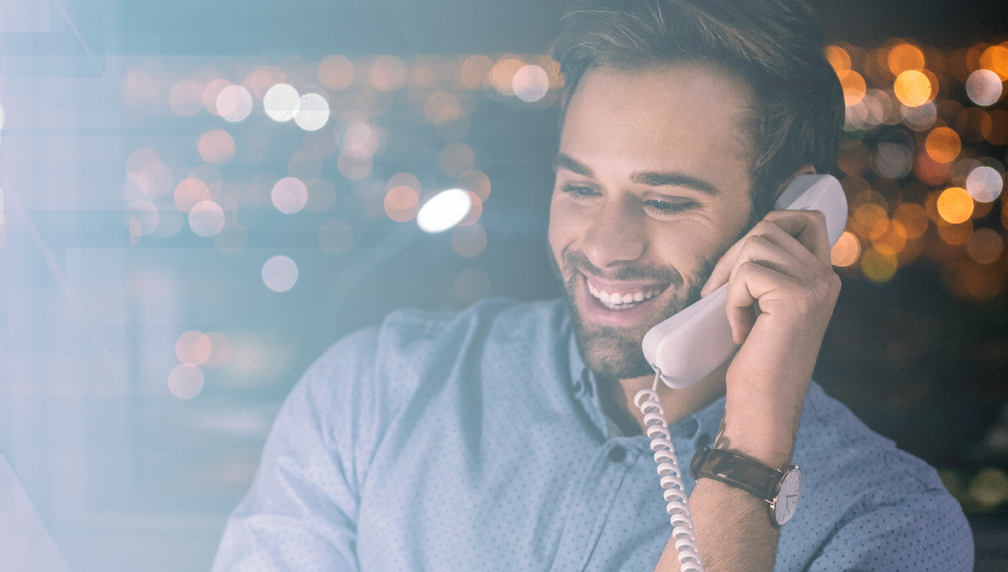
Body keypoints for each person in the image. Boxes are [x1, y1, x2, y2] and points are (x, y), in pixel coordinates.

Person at [210, 0, 973, 570]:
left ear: (791, 219)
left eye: (666, 201)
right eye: (579, 188)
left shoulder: (889, 525)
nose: (605, 246)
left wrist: (753, 453)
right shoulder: (373, 395)